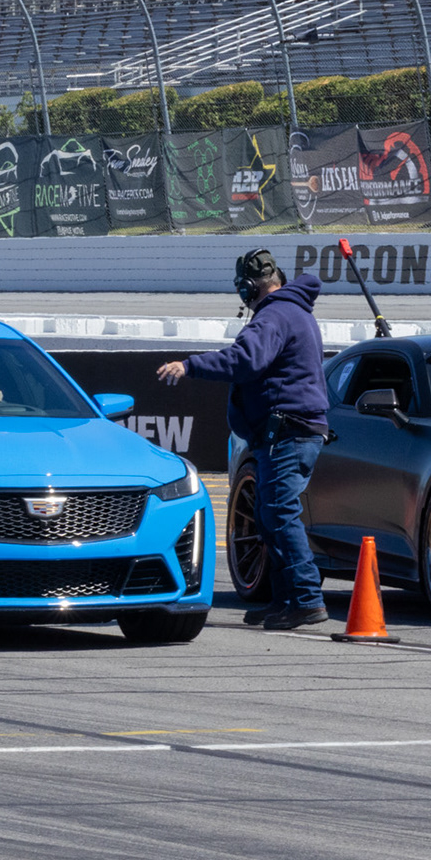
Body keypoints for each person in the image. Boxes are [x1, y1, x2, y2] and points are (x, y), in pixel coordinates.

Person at [157, 249, 329, 630]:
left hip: (287, 432)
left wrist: (189, 366)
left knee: (279, 514)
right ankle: (285, 599)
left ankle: (306, 598)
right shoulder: (295, 312)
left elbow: (244, 360)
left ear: (249, 287)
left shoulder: (274, 316)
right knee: (270, 515)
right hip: (291, 431)